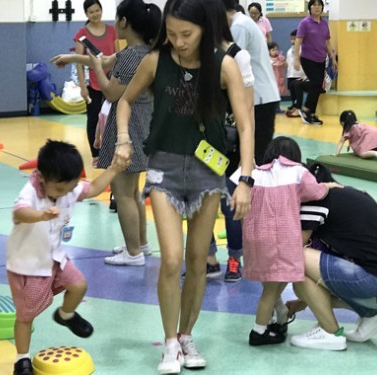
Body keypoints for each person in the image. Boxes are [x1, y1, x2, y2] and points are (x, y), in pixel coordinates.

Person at [115, 0, 255, 372]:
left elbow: (245, 125)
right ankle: (170, 343)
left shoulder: (223, 65)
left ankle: (188, 334)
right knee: (171, 259)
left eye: (186, 35)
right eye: (172, 33)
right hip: (164, 171)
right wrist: (124, 139)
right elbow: (124, 102)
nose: (178, 41)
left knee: (197, 261)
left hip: (209, 173)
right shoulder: (155, 61)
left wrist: (245, 179)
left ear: (205, 29)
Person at [52, 0, 162, 266]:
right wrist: (73, 58)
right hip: (145, 127)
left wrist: (98, 74)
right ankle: (140, 244)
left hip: (128, 129)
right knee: (133, 192)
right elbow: (102, 60)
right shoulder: (147, 53)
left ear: (124, 22)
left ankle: (133, 253)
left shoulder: (128, 57)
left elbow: (112, 92)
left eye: (116, 17)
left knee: (123, 193)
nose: (113, 22)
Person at [7, 140, 127, 375]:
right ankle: (22, 360)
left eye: (70, 188)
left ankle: (65, 315)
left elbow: (92, 189)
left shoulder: (68, 187)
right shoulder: (31, 190)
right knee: (25, 316)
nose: (66, 194)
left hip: (54, 258)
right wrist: (40, 215)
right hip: (27, 265)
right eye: (60, 190)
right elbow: (18, 213)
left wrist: (114, 168)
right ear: (41, 177)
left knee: (79, 284)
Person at [230, 137, 338, 346]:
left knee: (273, 285)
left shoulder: (255, 173)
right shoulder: (298, 171)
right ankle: (259, 331)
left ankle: (277, 318)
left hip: (255, 240)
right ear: (295, 156)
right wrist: (328, 186)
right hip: (280, 241)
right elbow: (315, 191)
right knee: (271, 290)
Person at [287, 162, 377, 350]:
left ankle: (330, 332)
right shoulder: (350, 194)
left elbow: (290, 253)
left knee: (298, 260)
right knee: (306, 285)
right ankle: (373, 315)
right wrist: (304, 300)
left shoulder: (315, 203)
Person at [192, 0, 255, 282]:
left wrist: (247, 159)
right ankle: (208, 258)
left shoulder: (237, 56)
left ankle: (234, 258)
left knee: (230, 206)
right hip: (200, 144)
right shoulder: (193, 54)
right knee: (200, 200)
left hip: (227, 143)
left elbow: (248, 113)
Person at [224, 0, 280, 166]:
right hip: (261, 95)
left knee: (257, 153)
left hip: (259, 97)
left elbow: (232, 63)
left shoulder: (238, 26)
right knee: (256, 151)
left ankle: (259, 190)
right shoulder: (243, 22)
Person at [74, 0, 117, 167]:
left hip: (112, 82)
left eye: (97, 10)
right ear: (86, 14)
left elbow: (118, 55)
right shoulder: (82, 35)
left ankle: (111, 151)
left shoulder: (112, 30)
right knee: (94, 119)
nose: (95, 14)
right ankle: (96, 155)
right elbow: (78, 62)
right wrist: (83, 87)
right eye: (91, 12)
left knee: (112, 118)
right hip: (93, 84)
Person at [294, 0, 337, 125]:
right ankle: (306, 109)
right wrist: (296, 59)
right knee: (317, 83)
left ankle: (311, 113)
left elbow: (327, 42)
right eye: (314, 5)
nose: (317, 7)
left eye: (319, 5)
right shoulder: (305, 23)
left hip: (321, 59)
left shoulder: (324, 23)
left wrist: (333, 59)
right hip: (308, 59)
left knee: (318, 86)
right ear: (310, 7)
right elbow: (298, 41)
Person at [285, 29, 307, 118]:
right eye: (291, 39)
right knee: (292, 90)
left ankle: (298, 106)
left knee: (298, 90)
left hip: (299, 74)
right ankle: (294, 104)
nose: (292, 41)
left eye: (294, 39)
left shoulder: (302, 49)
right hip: (290, 74)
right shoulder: (289, 51)